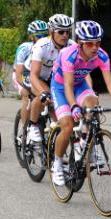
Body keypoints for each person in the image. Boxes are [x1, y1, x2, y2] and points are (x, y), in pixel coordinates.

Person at [50, 20, 111, 186]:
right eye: (89, 43)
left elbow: (110, 82)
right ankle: (57, 164)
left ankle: (84, 143)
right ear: (80, 42)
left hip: (80, 85)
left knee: (93, 105)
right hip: (60, 87)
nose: (94, 47)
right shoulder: (68, 54)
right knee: (67, 126)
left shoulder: (102, 55)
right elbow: (67, 85)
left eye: (97, 42)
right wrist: (73, 105)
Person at [25, 14, 76, 142]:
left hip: (56, 79)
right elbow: (34, 75)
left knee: (65, 111)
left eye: (67, 32)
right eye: (61, 32)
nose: (65, 35)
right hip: (37, 77)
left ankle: (55, 132)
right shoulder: (42, 45)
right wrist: (42, 93)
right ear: (51, 32)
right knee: (45, 96)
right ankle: (33, 125)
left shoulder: (72, 46)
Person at [13, 20, 49, 127]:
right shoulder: (24, 48)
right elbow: (19, 73)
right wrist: (26, 87)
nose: (42, 38)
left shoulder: (49, 47)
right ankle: (25, 129)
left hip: (38, 77)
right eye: (39, 36)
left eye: (45, 35)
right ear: (31, 37)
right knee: (26, 94)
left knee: (45, 96)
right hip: (21, 75)